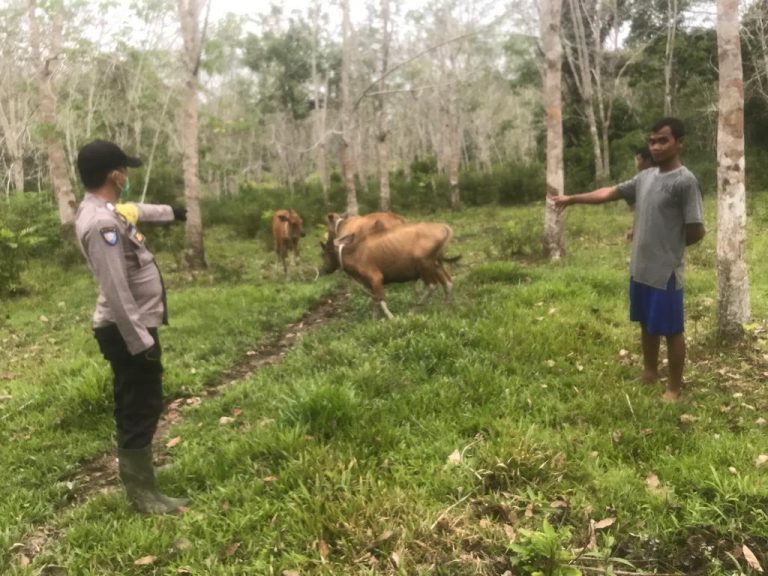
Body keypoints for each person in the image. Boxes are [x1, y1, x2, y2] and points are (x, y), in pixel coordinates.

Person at [551, 118, 705, 401]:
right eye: (652, 141)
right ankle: (649, 373)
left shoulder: (685, 181)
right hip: (640, 269)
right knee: (646, 322)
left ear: (679, 142)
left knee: (672, 330)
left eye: (663, 140)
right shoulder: (645, 177)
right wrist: (572, 199)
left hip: (665, 272)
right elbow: (610, 192)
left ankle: (674, 388)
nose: (656, 146)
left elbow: (697, 230)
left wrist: (667, 246)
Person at [74, 139, 189, 513]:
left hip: (131, 326)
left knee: (140, 400)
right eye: (124, 170)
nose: (126, 176)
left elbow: (137, 210)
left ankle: (143, 482)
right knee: (139, 404)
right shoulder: (101, 223)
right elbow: (117, 290)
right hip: (126, 329)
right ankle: (142, 495)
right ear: (115, 174)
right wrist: (140, 341)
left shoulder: (106, 209)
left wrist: (175, 212)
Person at [625, 145, 655, 242]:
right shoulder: (639, 179)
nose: (636, 163)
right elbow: (638, 210)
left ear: (648, 161)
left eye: (639, 159)